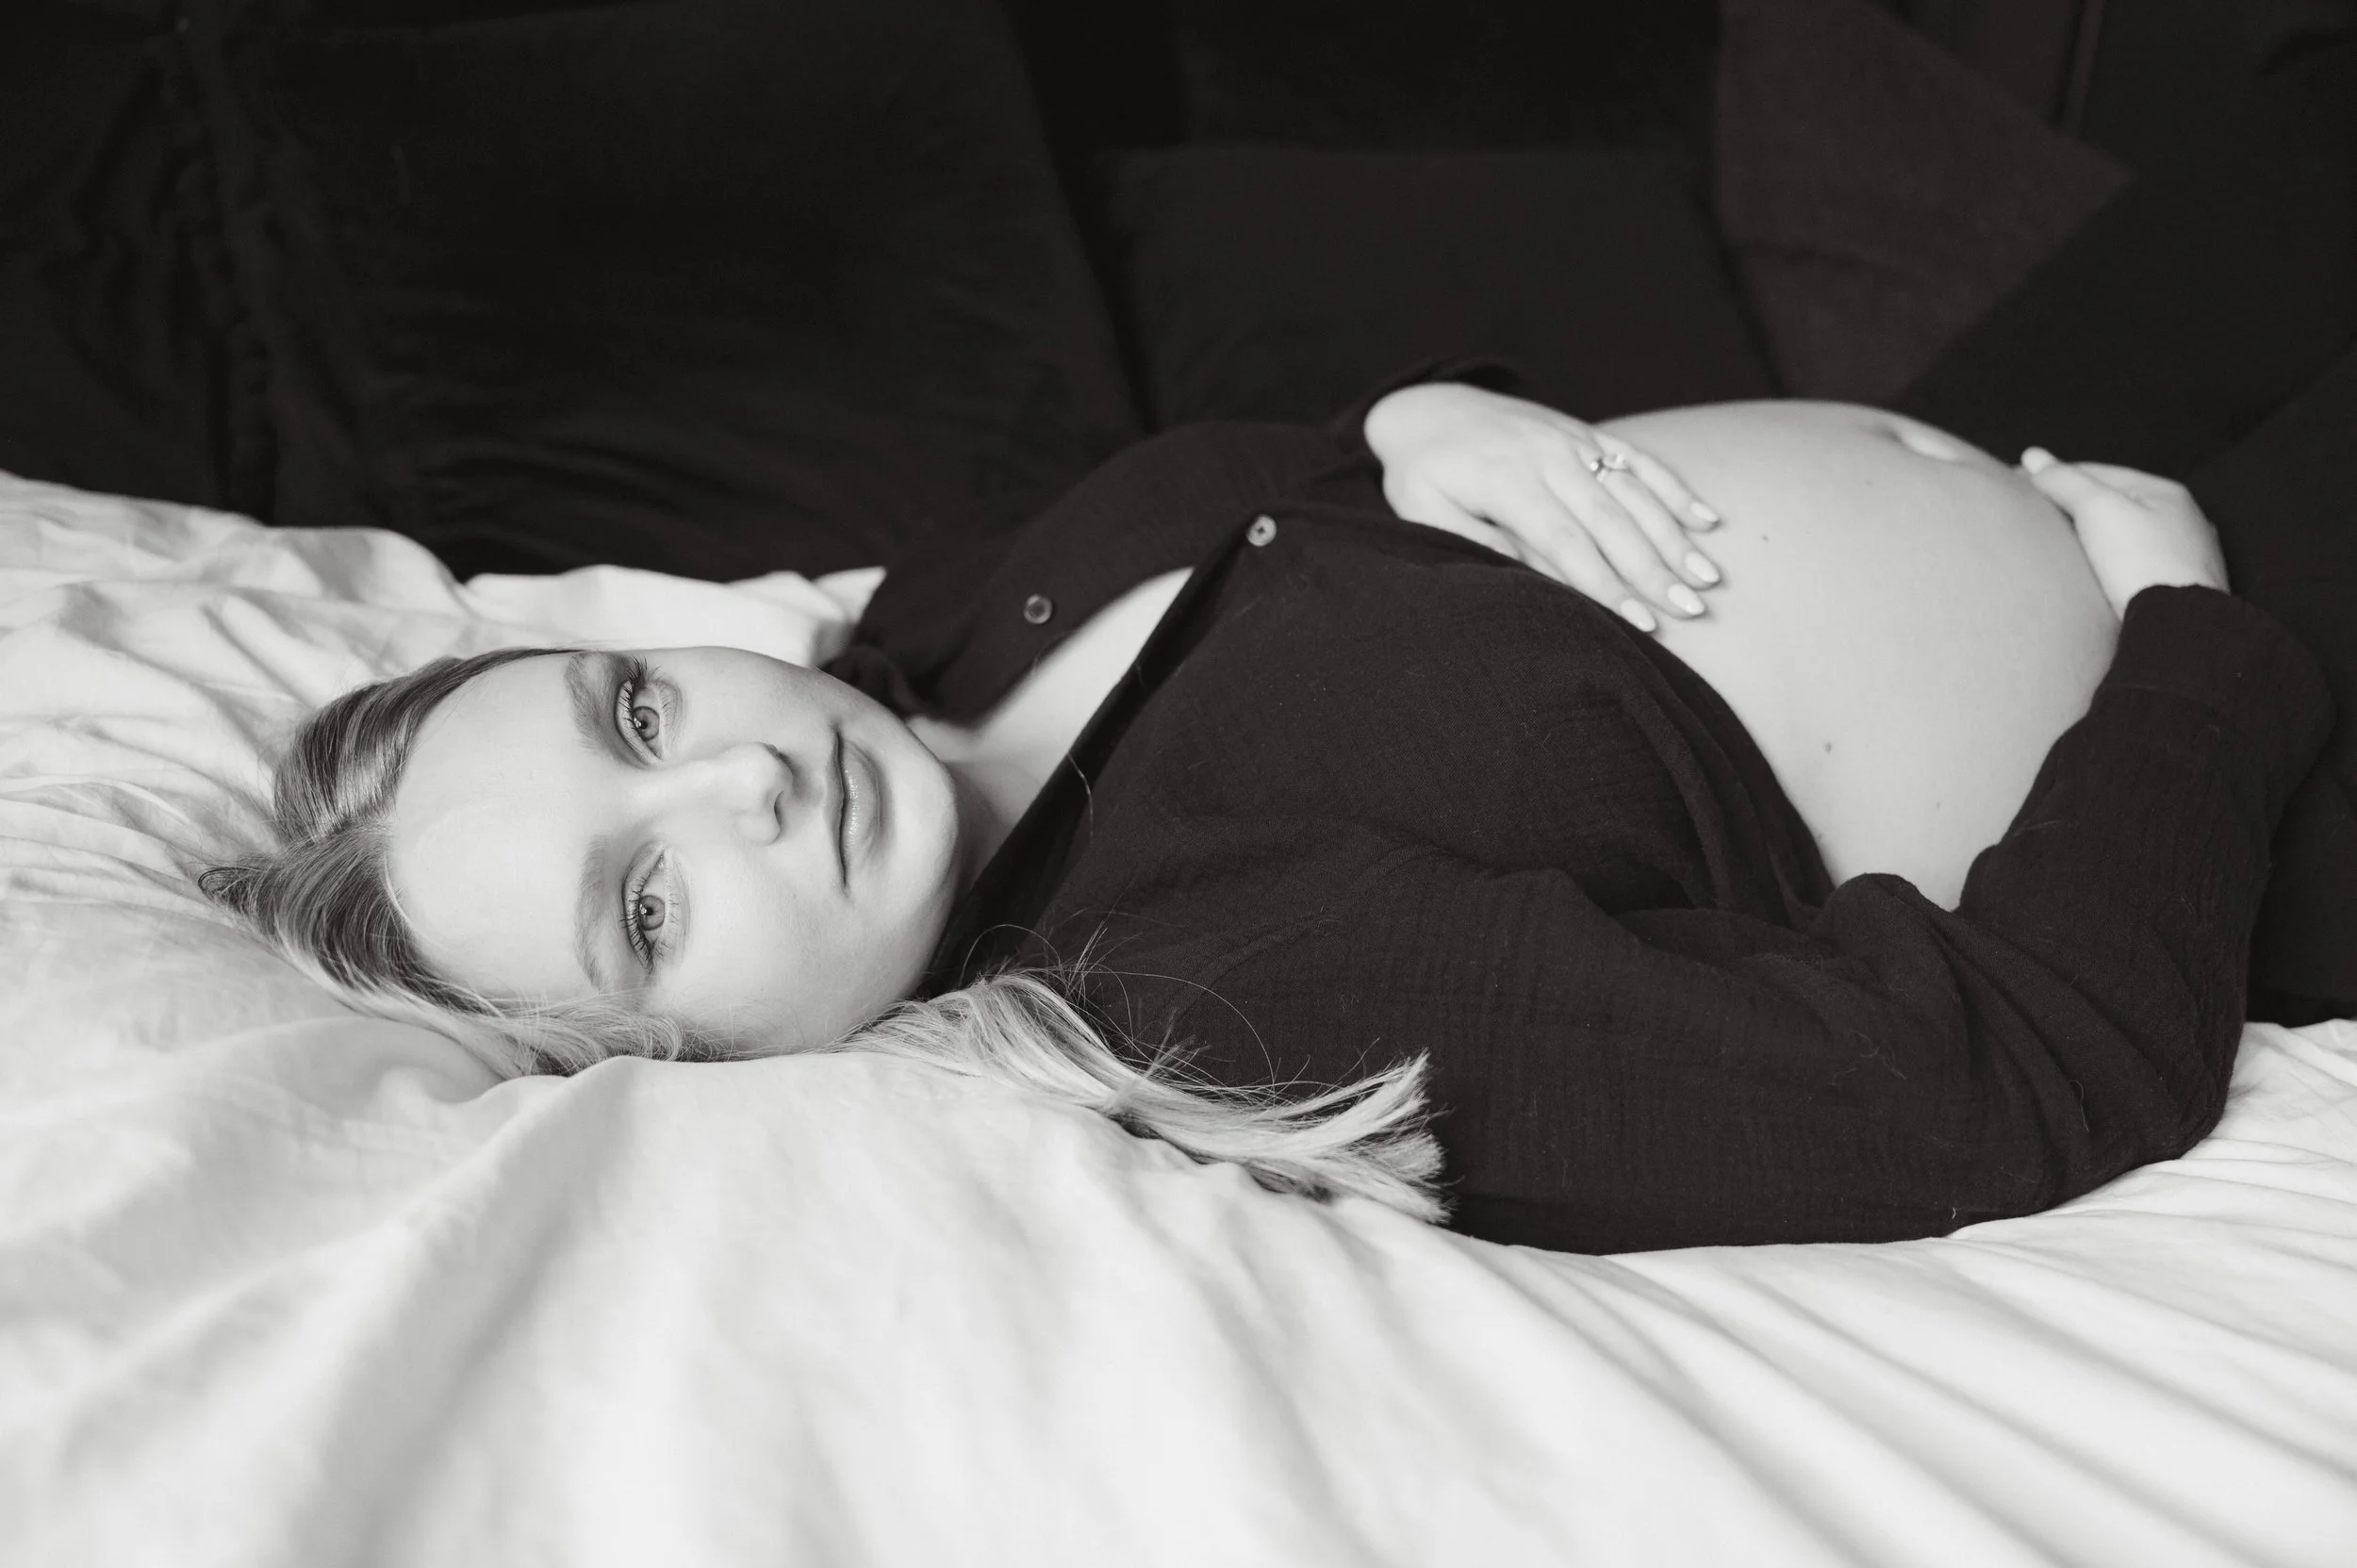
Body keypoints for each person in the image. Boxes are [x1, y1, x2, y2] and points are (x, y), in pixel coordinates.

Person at [201, 378, 2334, 1253]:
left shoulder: (945, 620)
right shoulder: (1220, 981)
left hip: (2061, 433)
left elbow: (1280, 510)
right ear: (671, 1072)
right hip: (2253, 717)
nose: (738, 775)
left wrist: (1407, 419)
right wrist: (2187, 644)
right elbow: (1996, 1082)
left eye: (635, 704)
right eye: (646, 903)